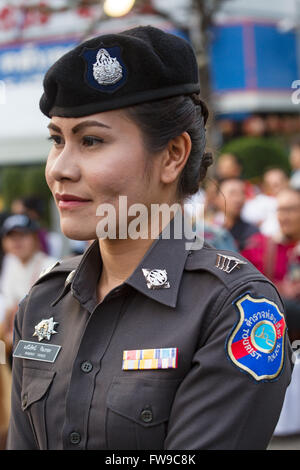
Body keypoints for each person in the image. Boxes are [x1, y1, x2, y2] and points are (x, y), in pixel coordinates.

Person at [7, 26, 292, 451]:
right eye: (56, 140)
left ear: (173, 155)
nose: (59, 169)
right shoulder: (43, 302)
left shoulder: (234, 309)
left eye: (91, 140)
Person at [0, 214, 57, 358]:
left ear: (35, 239)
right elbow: (7, 303)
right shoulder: (10, 262)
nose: (16, 241)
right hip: (15, 339)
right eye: (11, 236)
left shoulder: (52, 266)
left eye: (23, 235)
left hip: (42, 343)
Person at [212, 177, 259, 251]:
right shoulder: (207, 229)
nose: (238, 199)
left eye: (242, 193)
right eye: (232, 194)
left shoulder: (252, 233)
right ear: (217, 198)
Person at [242, 167, 289, 237]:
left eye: (277, 184)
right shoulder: (257, 202)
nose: (273, 188)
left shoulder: (295, 201)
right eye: (269, 184)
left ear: (287, 182)